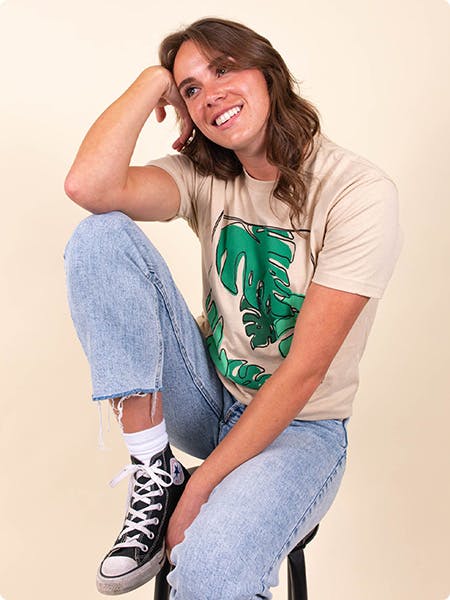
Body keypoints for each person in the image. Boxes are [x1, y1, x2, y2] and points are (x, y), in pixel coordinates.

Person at [63, 17, 402, 599]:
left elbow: (304, 375)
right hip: (210, 395)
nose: (209, 94)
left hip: (302, 429)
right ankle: (153, 469)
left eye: (223, 69)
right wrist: (151, 82)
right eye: (190, 88)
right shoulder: (207, 176)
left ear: (267, 73)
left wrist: (199, 492)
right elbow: (88, 186)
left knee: (213, 570)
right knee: (99, 236)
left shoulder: (357, 193)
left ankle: (183, 491)